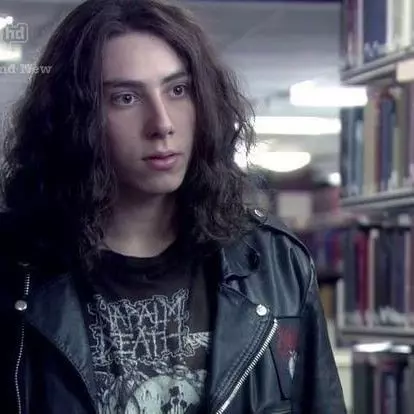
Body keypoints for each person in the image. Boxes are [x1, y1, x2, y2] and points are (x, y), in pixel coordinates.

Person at [0, 0, 346, 413]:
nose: (162, 123)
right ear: (74, 119)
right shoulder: (11, 270)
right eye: (125, 98)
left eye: (178, 90)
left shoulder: (276, 266)